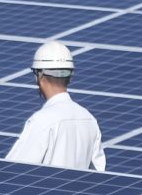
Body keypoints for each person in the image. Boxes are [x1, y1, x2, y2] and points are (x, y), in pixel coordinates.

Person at [6, 39, 103, 171]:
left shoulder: (42, 121)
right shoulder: (89, 120)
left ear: (40, 76)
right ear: (70, 76)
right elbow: (98, 171)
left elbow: (13, 169)